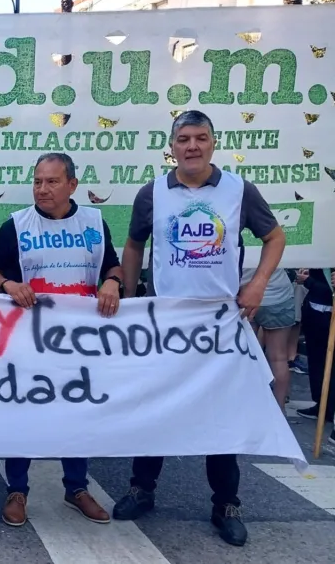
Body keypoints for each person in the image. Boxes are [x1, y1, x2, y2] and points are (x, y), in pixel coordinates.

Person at [113, 110, 286, 547]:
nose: (192, 146)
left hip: (220, 324)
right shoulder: (152, 192)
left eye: (201, 138)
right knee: (155, 409)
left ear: (213, 143)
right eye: (184, 139)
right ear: (170, 146)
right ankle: (142, 489)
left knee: (220, 416)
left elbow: (275, 237)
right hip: (166, 323)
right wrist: (132, 299)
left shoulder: (238, 190)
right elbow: (134, 244)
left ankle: (226, 503)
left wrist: (258, 284)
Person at [0, 152, 120, 528]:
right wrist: (8, 284)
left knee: (76, 412)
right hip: (29, 341)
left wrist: (113, 281)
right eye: (38, 181)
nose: (42, 189)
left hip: (80, 343)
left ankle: (76, 488)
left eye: (52, 181)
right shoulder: (17, 226)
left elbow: (113, 265)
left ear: (72, 185)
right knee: (23, 412)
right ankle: (17, 489)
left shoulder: (94, 222)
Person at [241, 268, 296, 407]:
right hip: (279, 295)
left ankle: (247, 406)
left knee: (244, 358)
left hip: (245, 295)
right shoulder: (275, 246)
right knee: (279, 358)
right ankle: (280, 410)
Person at [295, 268, 335, 427]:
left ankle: (328, 407)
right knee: (317, 362)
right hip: (315, 311)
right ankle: (322, 405)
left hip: (325, 311)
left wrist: (308, 281)